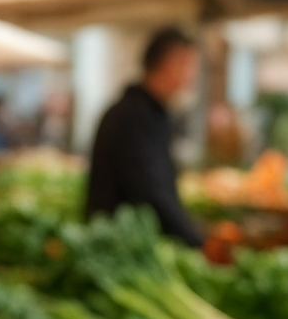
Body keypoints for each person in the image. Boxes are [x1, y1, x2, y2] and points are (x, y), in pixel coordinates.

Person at [86, 27, 203, 246]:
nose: (193, 76)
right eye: (190, 65)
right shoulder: (133, 117)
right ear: (171, 65)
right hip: (121, 246)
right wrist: (194, 240)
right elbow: (148, 191)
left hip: (131, 242)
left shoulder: (150, 114)